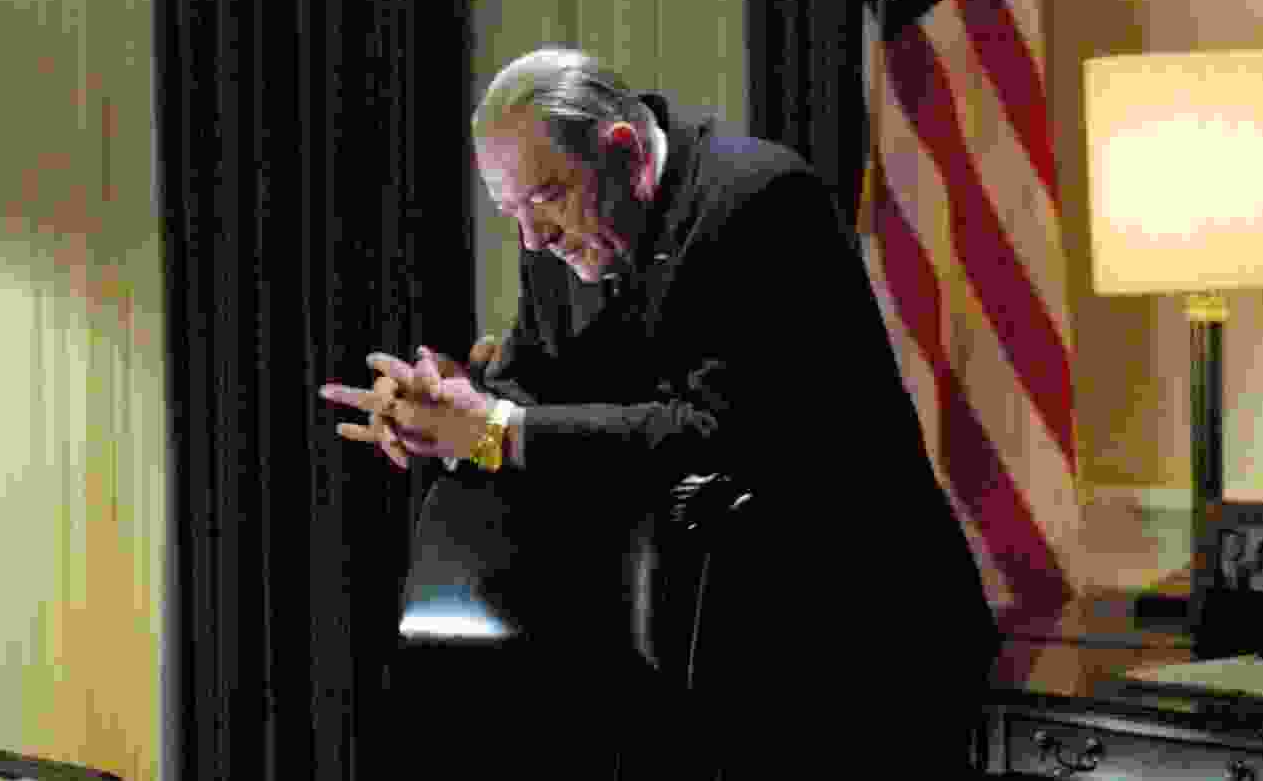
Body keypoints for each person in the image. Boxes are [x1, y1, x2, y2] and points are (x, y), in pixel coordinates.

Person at [318, 48, 1000, 776]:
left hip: (855, 638)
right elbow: (536, 388)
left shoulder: (760, 198)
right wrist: (451, 406)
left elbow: (714, 434)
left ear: (625, 151)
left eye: (545, 198)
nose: (533, 237)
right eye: (511, 212)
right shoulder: (556, 235)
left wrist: (495, 429)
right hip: (688, 658)